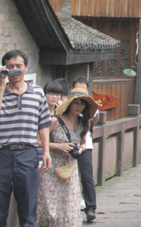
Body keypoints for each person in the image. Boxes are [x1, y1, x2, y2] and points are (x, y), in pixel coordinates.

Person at [0, 49, 52, 227]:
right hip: (1, 155)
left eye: (18, 66)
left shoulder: (37, 93)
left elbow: (43, 125)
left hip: (27, 154)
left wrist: (46, 151)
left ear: (26, 68)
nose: (15, 70)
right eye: (10, 67)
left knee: (28, 208)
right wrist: (1, 86)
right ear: (3, 69)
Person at [38, 87, 97, 227]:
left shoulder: (83, 123)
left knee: (69, 206)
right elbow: (38, 141)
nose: (78, 107)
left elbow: (83, 142)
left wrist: (80, 149)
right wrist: (58, 146)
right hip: (52, 167)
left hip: (70, 168)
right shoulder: (55, 121)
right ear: (69, 104)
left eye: (82, 104)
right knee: (50, 207)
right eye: (76, 103)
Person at [70, 79, 98, 223]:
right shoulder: (67, 104)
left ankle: (90, 207)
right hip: (68, 145)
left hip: (85, 145)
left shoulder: (89, 107)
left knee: (87, 176)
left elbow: (94, 119)